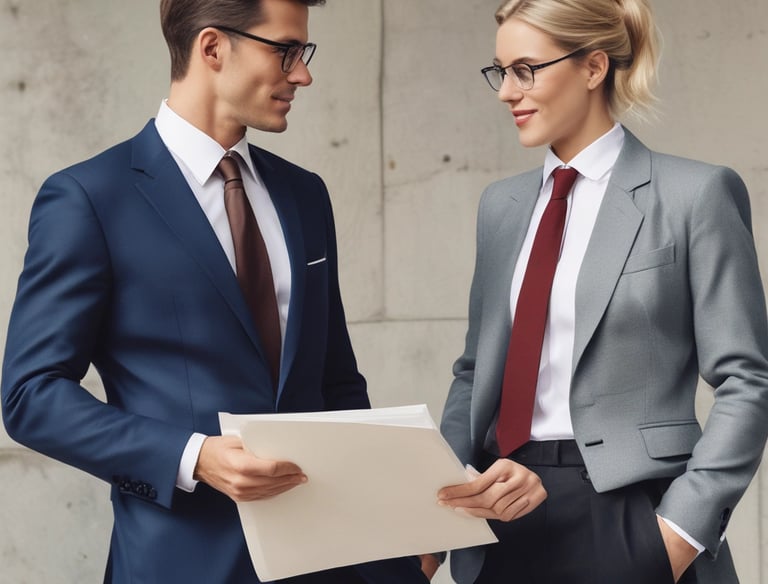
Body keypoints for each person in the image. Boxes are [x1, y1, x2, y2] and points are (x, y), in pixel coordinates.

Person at [1, 0, 429, 582]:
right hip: (182, 560)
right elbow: (31, 395)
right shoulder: (90, 199)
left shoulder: (305, 195)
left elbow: (335, 383)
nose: (302, 73)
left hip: (325, 559)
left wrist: (399, 534)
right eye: (286, 51)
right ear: (212, 47)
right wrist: (193, 456)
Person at [437, 0, 768, 583]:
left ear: (593, 68)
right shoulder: (501, 207)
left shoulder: (695, 195)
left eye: (526, 69)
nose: (506, 92)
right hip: (504, 511)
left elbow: (748, 379)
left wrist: (679, 533)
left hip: (630, 514)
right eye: (500, 71)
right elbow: (473, 372)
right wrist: (437, 505)